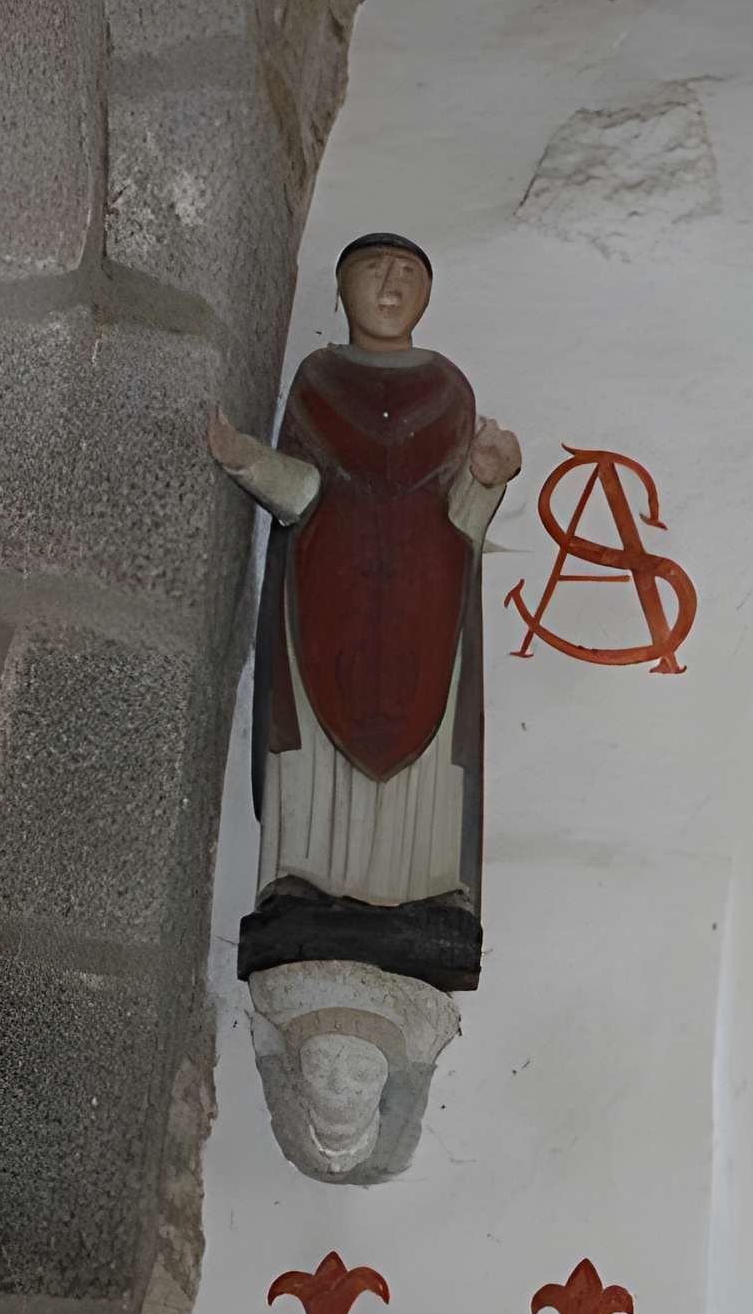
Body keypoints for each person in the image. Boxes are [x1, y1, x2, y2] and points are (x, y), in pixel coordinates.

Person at [208, 234, 520, 991]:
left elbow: (462, 519)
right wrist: (250, 461)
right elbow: (307, 489)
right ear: (342, 293)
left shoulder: (450, 388)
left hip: (424, 599)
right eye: (372, 271)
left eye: (410, 271)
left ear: (428, 294)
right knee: (317, 723)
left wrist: (486, 477)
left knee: (426, 728)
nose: (391, 283)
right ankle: (307, 874)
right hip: (332, 593)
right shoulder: (319, 378)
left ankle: (422, 885)